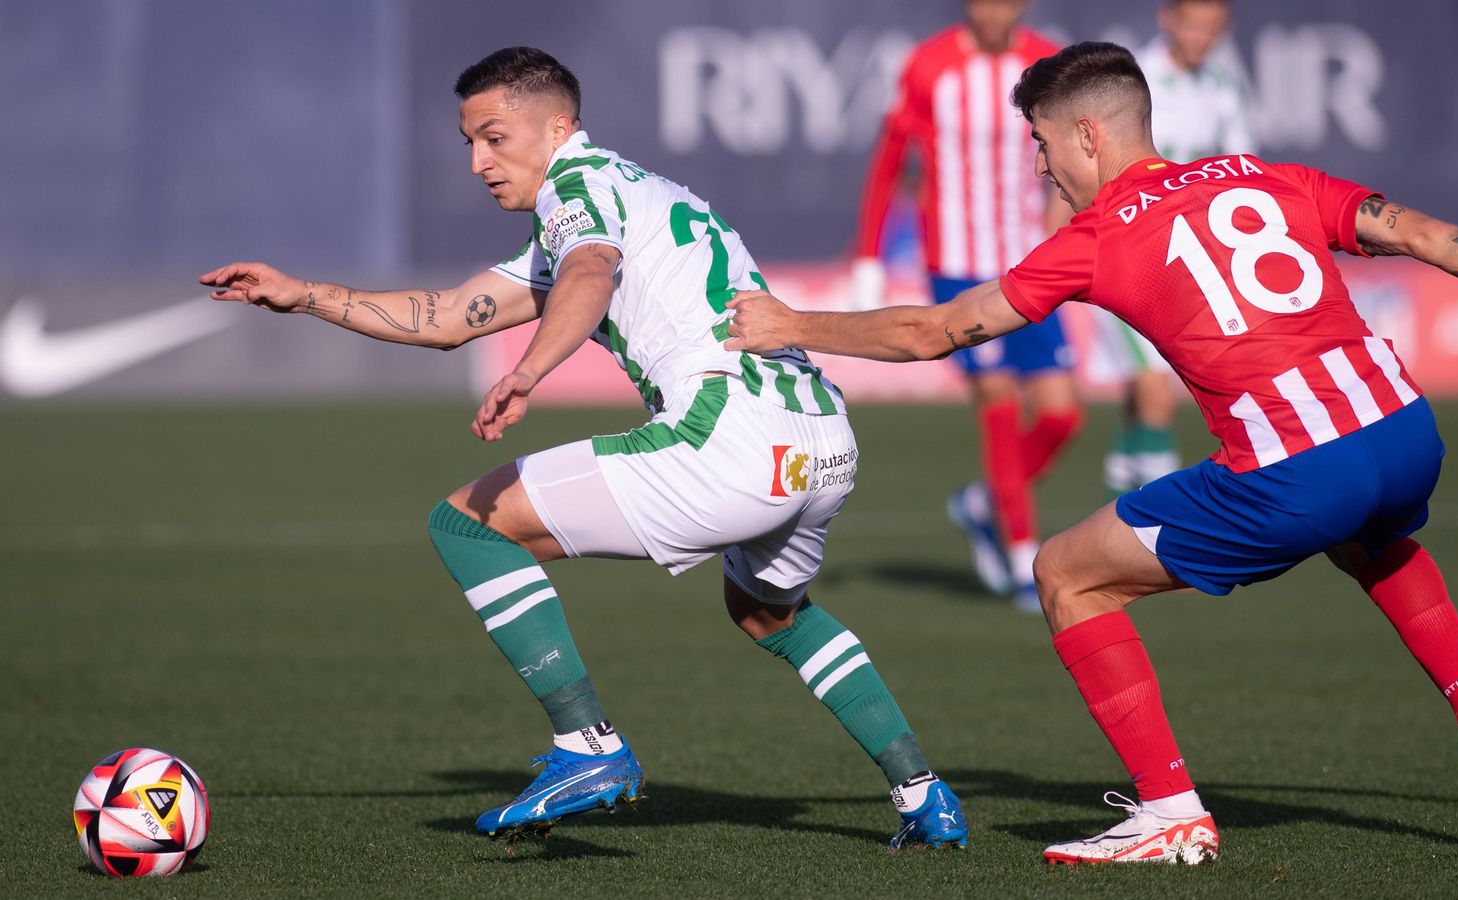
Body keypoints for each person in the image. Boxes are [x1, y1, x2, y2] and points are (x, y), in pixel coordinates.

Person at [727, 41, 1458, 864]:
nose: (1038, 166)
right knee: (1373, 535)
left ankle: (1169, 812)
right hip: (1406, 433)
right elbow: (1426, 234)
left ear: (1087, 135)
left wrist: (790, 324)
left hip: (1297, 471)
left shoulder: (1099, 234)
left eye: (1039, 143)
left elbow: (936, 331)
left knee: (1067, 573)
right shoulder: (1265, 173)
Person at [199, 47, 967, 850]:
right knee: (769, 613)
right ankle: (922, 790)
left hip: (729, 436)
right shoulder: (635, 193)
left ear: (558, 126)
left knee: (468, 524)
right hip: (821, 447)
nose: (477, 163)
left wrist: (530, 371)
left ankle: (587, 746)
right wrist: (306, 295)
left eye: (494, 138)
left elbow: (592, 274)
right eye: (468, 143)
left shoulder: (577, 188)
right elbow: (453, 316)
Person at [852, 0, 1081, 611]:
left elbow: (1072, 156)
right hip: (955, 265)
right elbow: (889, 160)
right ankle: (1021, 553)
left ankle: (983, 504)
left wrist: (1066, 231)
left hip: (1029, 261)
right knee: (999, 400)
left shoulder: (1044, 62)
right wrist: (870, 257)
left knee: (1062, 415)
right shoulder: (930, 66)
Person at [1099, 0, 1257, 498]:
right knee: (1155, 391)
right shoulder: (1130, 84)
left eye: (1211, 29)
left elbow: (1241, 170)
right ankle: (1160, 536)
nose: (1200, 37)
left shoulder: (1223, 90)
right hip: (1123, 256)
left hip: (1186, 260)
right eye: (1192, 24)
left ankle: (1122, 486)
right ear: (1167, 18)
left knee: (1148, 394)